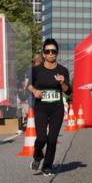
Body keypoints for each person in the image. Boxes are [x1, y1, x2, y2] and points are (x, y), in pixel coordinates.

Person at [27, 39, 71, 175]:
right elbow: (28, 85)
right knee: (41, 138)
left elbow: (68, 91)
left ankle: (47, 166)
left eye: (53, 51)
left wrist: (63, 82)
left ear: (57, 53)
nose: (50, 54)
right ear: (44, 54)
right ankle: (37, 155)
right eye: (47, 51)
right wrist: (35, 91)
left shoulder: (63, 70)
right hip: (41, 107)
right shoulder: (36, 70)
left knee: (52, 139)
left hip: (57, 108)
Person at [21, 54, 42, 127]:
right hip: (40, 91)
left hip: (31, 92)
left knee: (32, 108)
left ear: (34, 61)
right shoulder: (42, 68)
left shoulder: (30, 68)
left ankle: (32, 124)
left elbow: (26, 81)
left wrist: (24, 89)